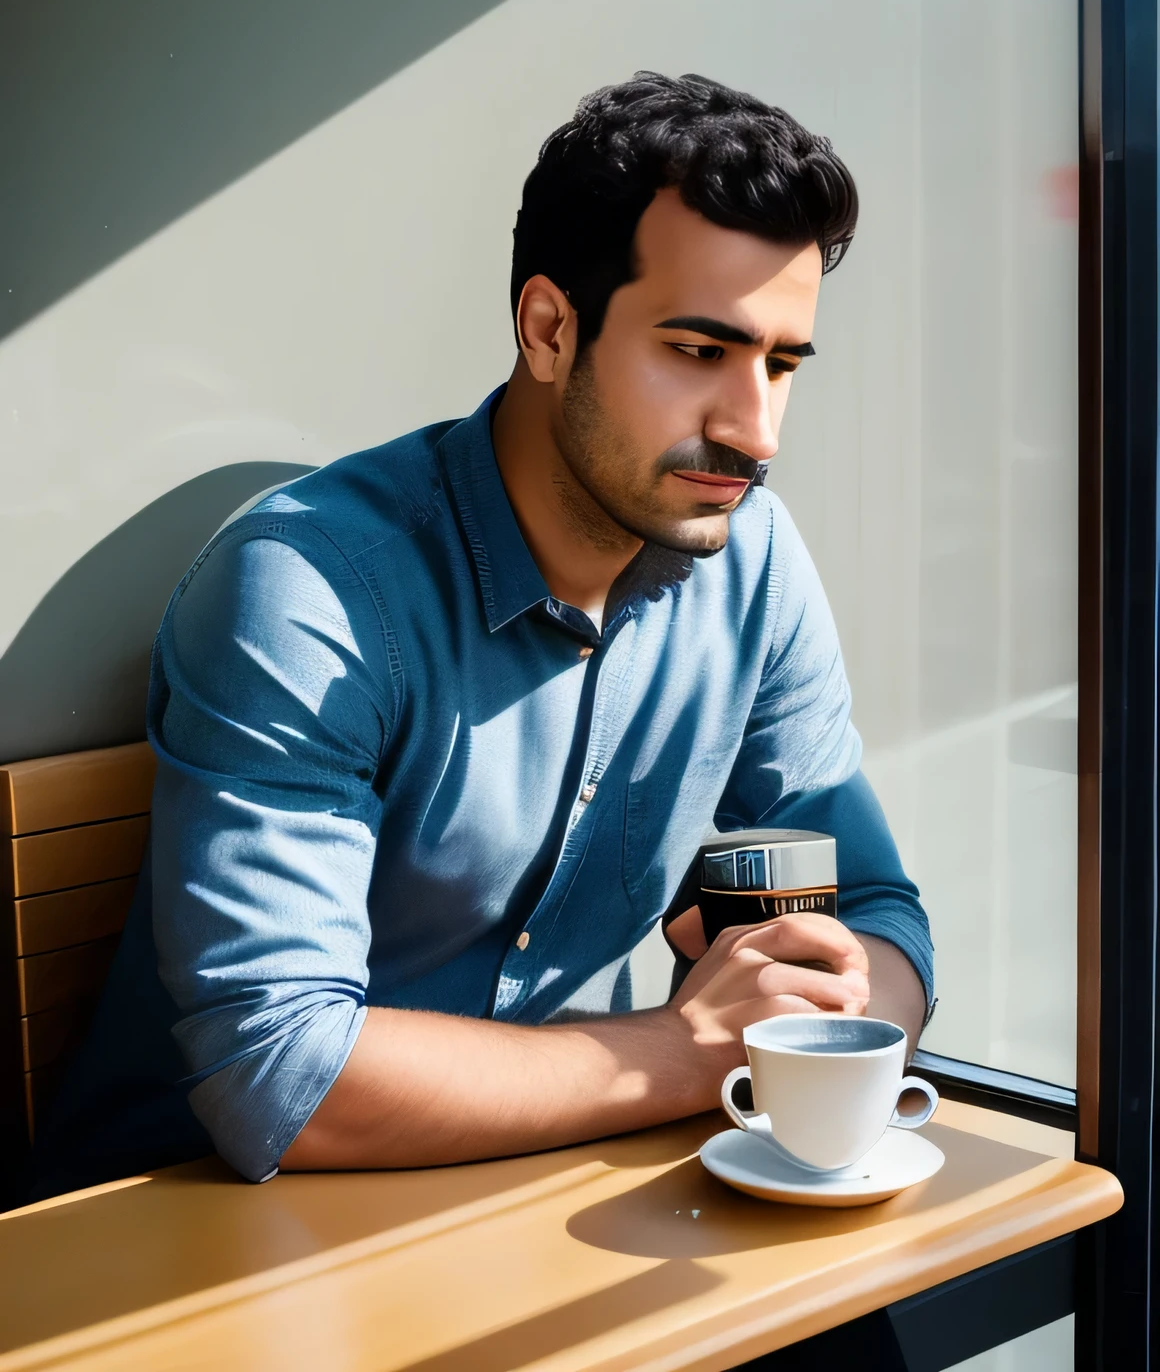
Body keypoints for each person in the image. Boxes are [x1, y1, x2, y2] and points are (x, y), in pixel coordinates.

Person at [34, 72, 932, 1195]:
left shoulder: (748, 556)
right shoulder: (306, 589)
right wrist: (691, 1048)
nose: (754, 428)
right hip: (184, 1234)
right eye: (700, 351)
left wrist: (826, 1021)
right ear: (550, 328)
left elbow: (880, 914)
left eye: (780, 363)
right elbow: (279, 1072)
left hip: (545, 1190)